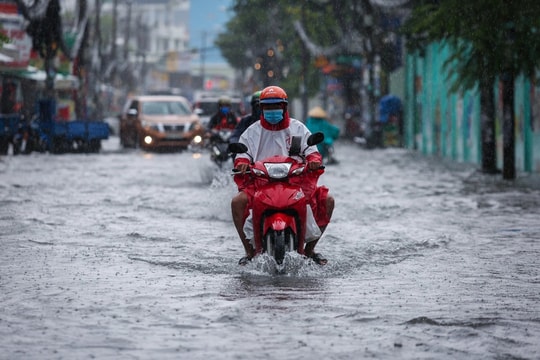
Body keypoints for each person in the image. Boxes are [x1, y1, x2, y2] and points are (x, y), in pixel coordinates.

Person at [231, 85, 334, 266]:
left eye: (276, 106)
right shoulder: (251, 132)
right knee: (237, 202)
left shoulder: (298, 128)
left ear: (284, 107)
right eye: (268, 107)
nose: (272, 110)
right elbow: (242, 155)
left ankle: (309, 251)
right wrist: (242, 163)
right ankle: (249, 252)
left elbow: (311, 150)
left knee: (328, 200)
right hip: (260, 183)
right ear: (261, 109)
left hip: (295, 183)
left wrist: (313, 159)